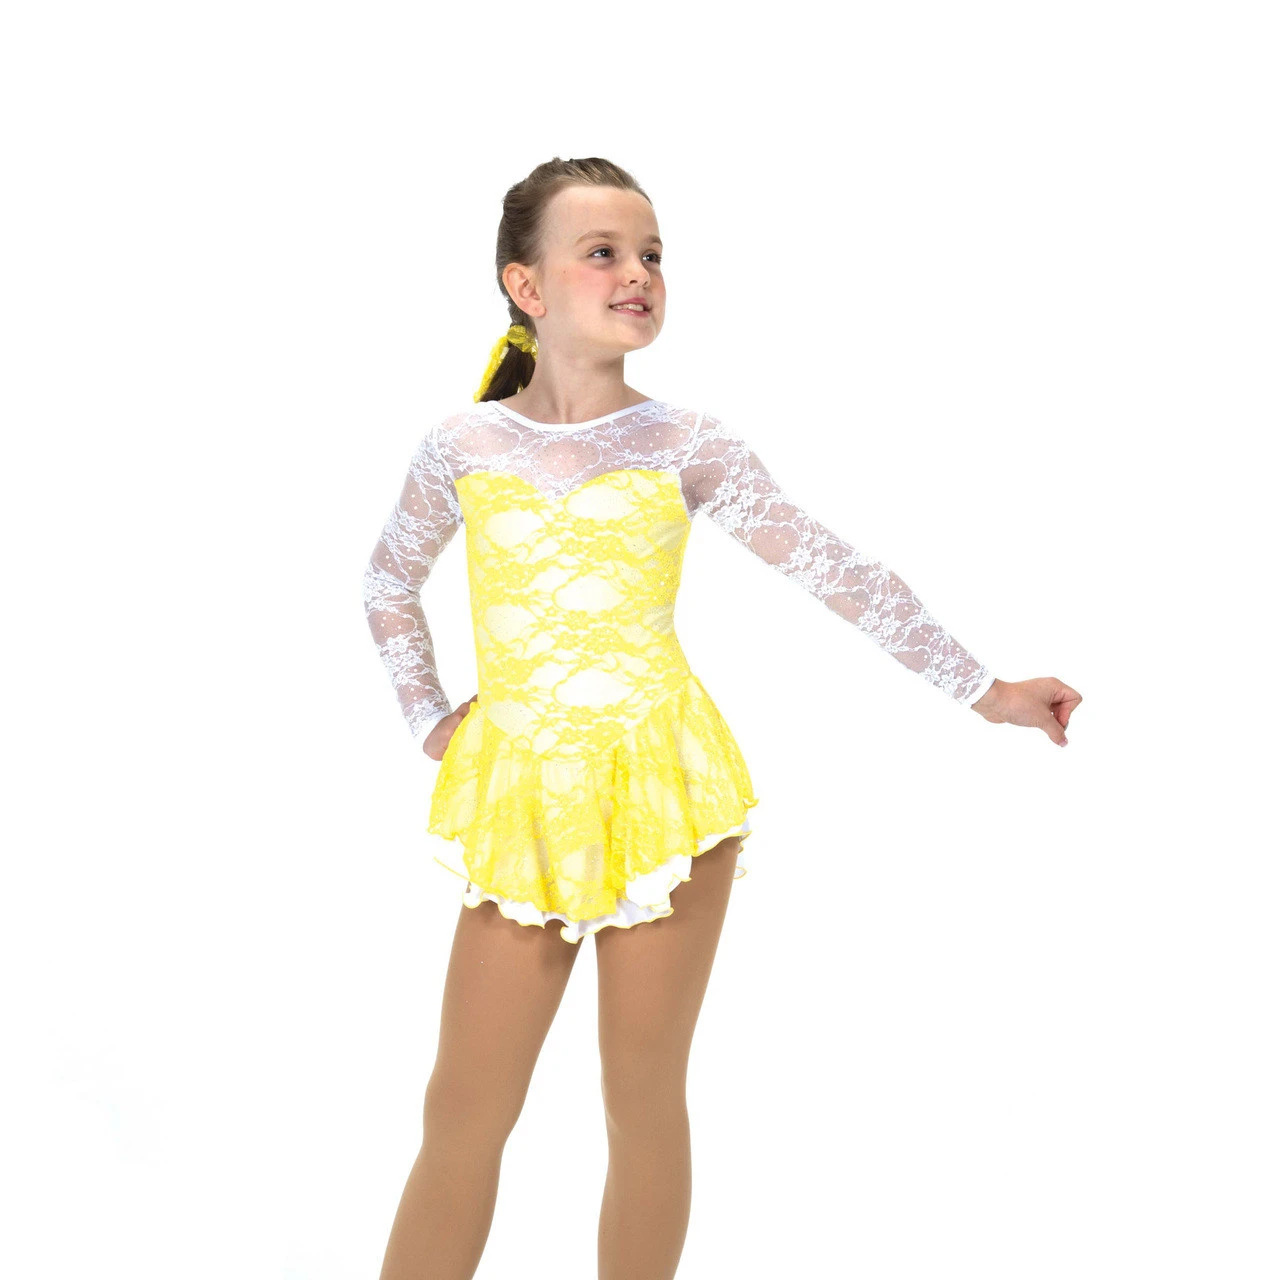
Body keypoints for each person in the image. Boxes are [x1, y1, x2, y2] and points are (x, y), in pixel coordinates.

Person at [362, 156, 1082, 1280]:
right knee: (463, 1107)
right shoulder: (463, 447)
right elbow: (386, 584)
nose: (637, 274)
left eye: (651, 254)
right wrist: (429, 717)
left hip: (666, 788)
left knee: (641, 1097)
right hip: (521, 798)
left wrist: (982, 688)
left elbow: (837, 568)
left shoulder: (684, 444)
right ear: (526, 286)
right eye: (602, 252)